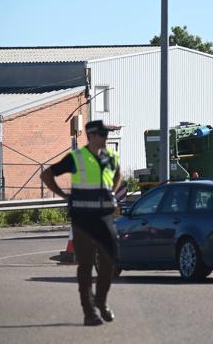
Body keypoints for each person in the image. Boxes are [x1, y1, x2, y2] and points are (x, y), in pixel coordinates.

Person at [41, 120, 122, 326]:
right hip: (82, 220)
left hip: (104, 218)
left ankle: (101, 302)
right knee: (85, 265)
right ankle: (89, 312)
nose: (106, 138)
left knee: (109, 263)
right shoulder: (77, 157)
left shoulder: (111, 157)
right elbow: (47, 174)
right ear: (92, 136)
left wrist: (112, 192)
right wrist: (63, 195)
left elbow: (118, 174)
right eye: (103, 135)